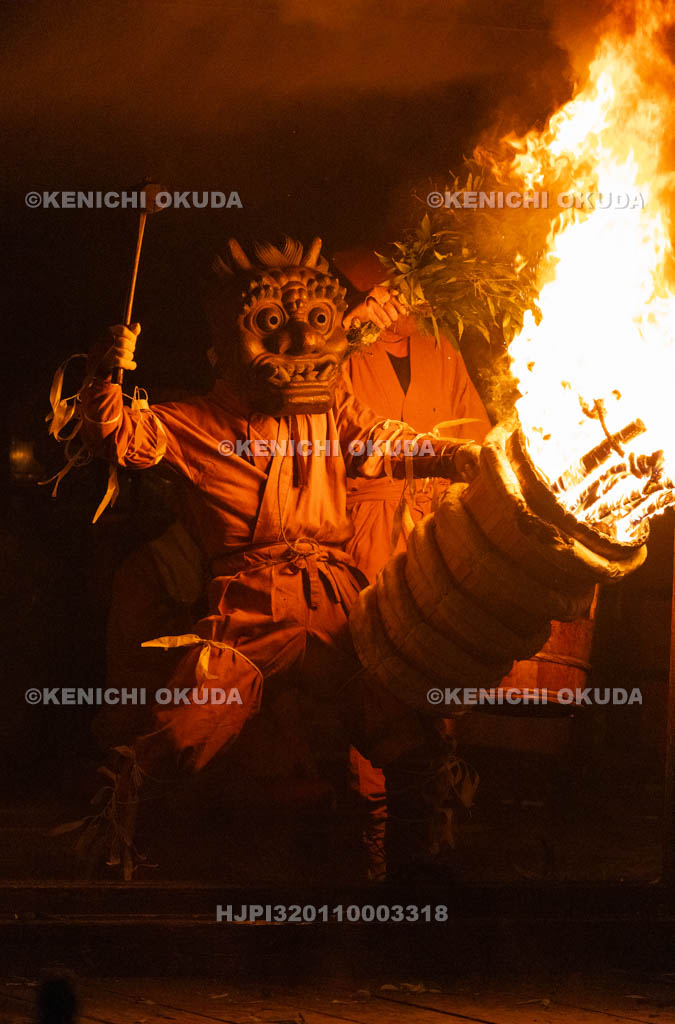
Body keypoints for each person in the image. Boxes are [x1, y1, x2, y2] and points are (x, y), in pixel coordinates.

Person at [77, 236, 481, 877]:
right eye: (270, 325)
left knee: (407, 732)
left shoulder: (332, 414)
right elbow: (115, 436)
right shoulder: (197, 421)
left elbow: (384, 441)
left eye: (315, 323)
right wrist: (107, 372)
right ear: (224, 342)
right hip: (249, 609)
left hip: (338, 603)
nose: (297, 343)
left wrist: (457, 454)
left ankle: (410, 879)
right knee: (183, 736)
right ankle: (119, 862)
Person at [333, 246, 490, 880]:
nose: (395, 304)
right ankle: (367, 843)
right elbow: (352, 437)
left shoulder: (440, 350)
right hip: (362, 528)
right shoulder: (339, 357)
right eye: (378, 294)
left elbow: (476, 431)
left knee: (436, 667)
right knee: (372, 673)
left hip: (429, 530)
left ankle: (433, 841)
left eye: (400, 292)